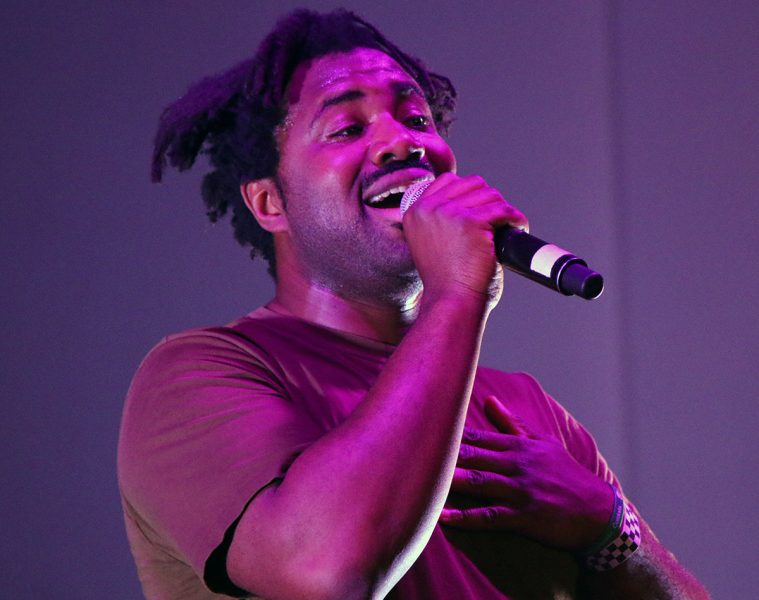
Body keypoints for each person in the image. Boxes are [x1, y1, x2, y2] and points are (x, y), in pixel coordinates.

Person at [118, 8, 709, 600]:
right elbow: (328, 574)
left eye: (417, 119)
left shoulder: (526, 410)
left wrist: (606, 524)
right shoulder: (197, 376)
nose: (402, 142)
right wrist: (456, 294)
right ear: (270, 203)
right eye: (346, 129)